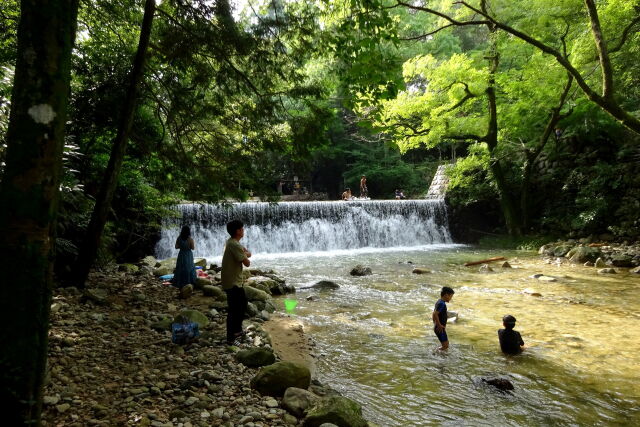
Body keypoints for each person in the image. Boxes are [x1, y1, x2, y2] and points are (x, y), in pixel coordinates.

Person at [221, 219, 252, 345]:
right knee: (234, 309)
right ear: (237, 231)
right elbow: (247, 262)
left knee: (242, 304)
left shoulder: (231, 242)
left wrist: (245, 254)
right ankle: (230, 337)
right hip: (233, 281)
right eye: (241, 228)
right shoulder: (235, 245)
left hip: (233, 280)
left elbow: (247, 254)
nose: (243, 230)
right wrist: (246, 254)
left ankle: (237, 331)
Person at [173, 226, 196, 295]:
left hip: (181, 254)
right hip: (188, 254)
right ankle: (190, 282)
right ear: (189, 232)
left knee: (180, 267)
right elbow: (193, 248)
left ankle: (180, 283)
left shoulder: (179, 238)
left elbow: (176, 247)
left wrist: (181, 246)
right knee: (189, 267)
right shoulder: (190, 239)